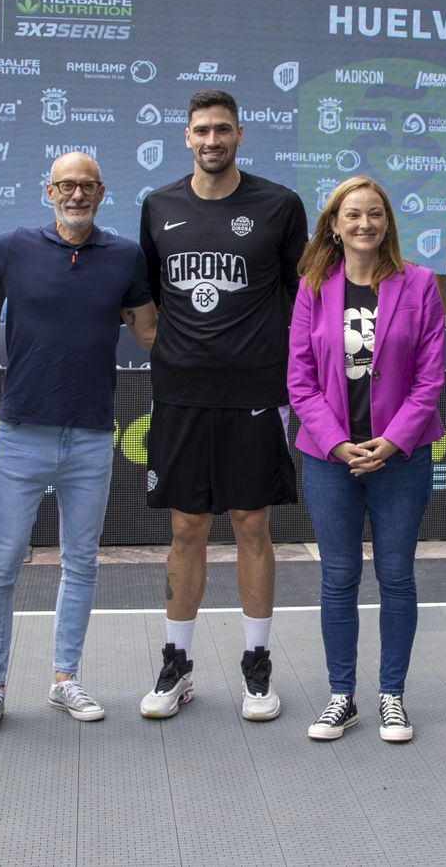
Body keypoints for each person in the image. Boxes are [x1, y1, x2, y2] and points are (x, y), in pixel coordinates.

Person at [0, 152, 155, 737]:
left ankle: (64, 678)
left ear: (101, 192)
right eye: (66, 185)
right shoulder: (14, 247)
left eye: (87, 186)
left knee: (81, 562)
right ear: (49, 190)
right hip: (22, 432)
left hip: (91, 436)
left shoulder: (123, 255)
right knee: (2, 563)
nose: (76, 195)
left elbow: (148, 332)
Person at [138, 90, 307, 722]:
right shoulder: (159, 205)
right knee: (186, 527)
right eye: (201, 131)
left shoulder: (278, 205)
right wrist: (176, 351)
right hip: (181, 396)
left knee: (252, 525)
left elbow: (303, 298)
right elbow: (147, 299)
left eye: (223, 130)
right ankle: (177, 664)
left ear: (241, 134)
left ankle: (256, 664)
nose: (212, 140)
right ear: (186, 137)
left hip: (256, 396)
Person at [287, 177, 446, 743]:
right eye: (352, 215)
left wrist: (393, 440)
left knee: (397, 577)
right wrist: (336, 442)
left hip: (400, 459)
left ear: (387, 223)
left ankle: (392, 696)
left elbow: (430, 380)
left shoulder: (421, 284)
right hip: (330, 459)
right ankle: (341, 696)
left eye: (374, 214)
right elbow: (300, 382)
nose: (364, 224)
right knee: (338, 578)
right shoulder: (312, 287)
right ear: (334, 224)